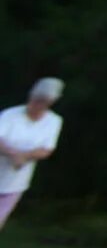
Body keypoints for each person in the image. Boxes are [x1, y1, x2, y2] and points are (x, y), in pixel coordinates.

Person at [0, 78, 65, 231]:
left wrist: (25, 156)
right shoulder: (10, 115)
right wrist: (13, 154)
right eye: (35, 99)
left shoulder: (54, 121)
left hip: (15, 182)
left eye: (43, 101)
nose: (36, 104)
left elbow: (46, 149)